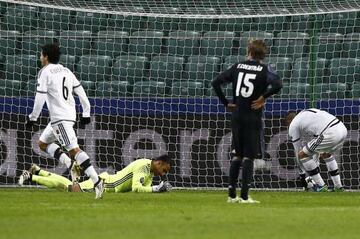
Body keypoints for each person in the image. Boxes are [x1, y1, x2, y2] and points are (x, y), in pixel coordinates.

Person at [24, 43, 104, 199]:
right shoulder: (66, 70)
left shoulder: (45, 72)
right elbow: (80, 91)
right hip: (65, 116)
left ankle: (97, 181)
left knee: (74, 150)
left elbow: (40, 97)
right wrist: (86, 112)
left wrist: (32, 118)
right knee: (42, 143)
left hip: (60, 119)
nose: (40, 57)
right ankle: (70, 165)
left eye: (41, 55)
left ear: (46, 56)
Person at [212, 39, 282, 203]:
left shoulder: (237, 66)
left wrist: (225, 103)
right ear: (263, 55)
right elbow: (278, 84)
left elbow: (215, 82)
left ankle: (231, 195)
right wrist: (264, 97)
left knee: (237, 155)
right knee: (249, 157)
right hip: (252, 117)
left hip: (236, 115)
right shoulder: (264, 70)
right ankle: (244, 196)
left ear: (249, 52)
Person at [18, 155, 172, 194]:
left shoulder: (150, 172)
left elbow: (143, 190)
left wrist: (157, 188)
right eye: (164, 170)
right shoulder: (143, 166)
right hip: (105, 185)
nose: (163, 174)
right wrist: (156, 189)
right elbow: (137, 188)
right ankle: (31, 176)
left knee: (70, 186)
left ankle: (39, 171)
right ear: (158, 163)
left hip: (107, 182)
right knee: (70, 188)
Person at [285, 109, 347, 192]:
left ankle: (321, 186)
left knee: (301, 155)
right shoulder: (305, 114)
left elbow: (298, 153)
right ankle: (339, 187)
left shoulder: (293, 125)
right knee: (326, 154)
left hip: (330, 132)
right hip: (342, 129)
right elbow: (315, 147)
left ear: (289, 122)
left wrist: (302, 176)